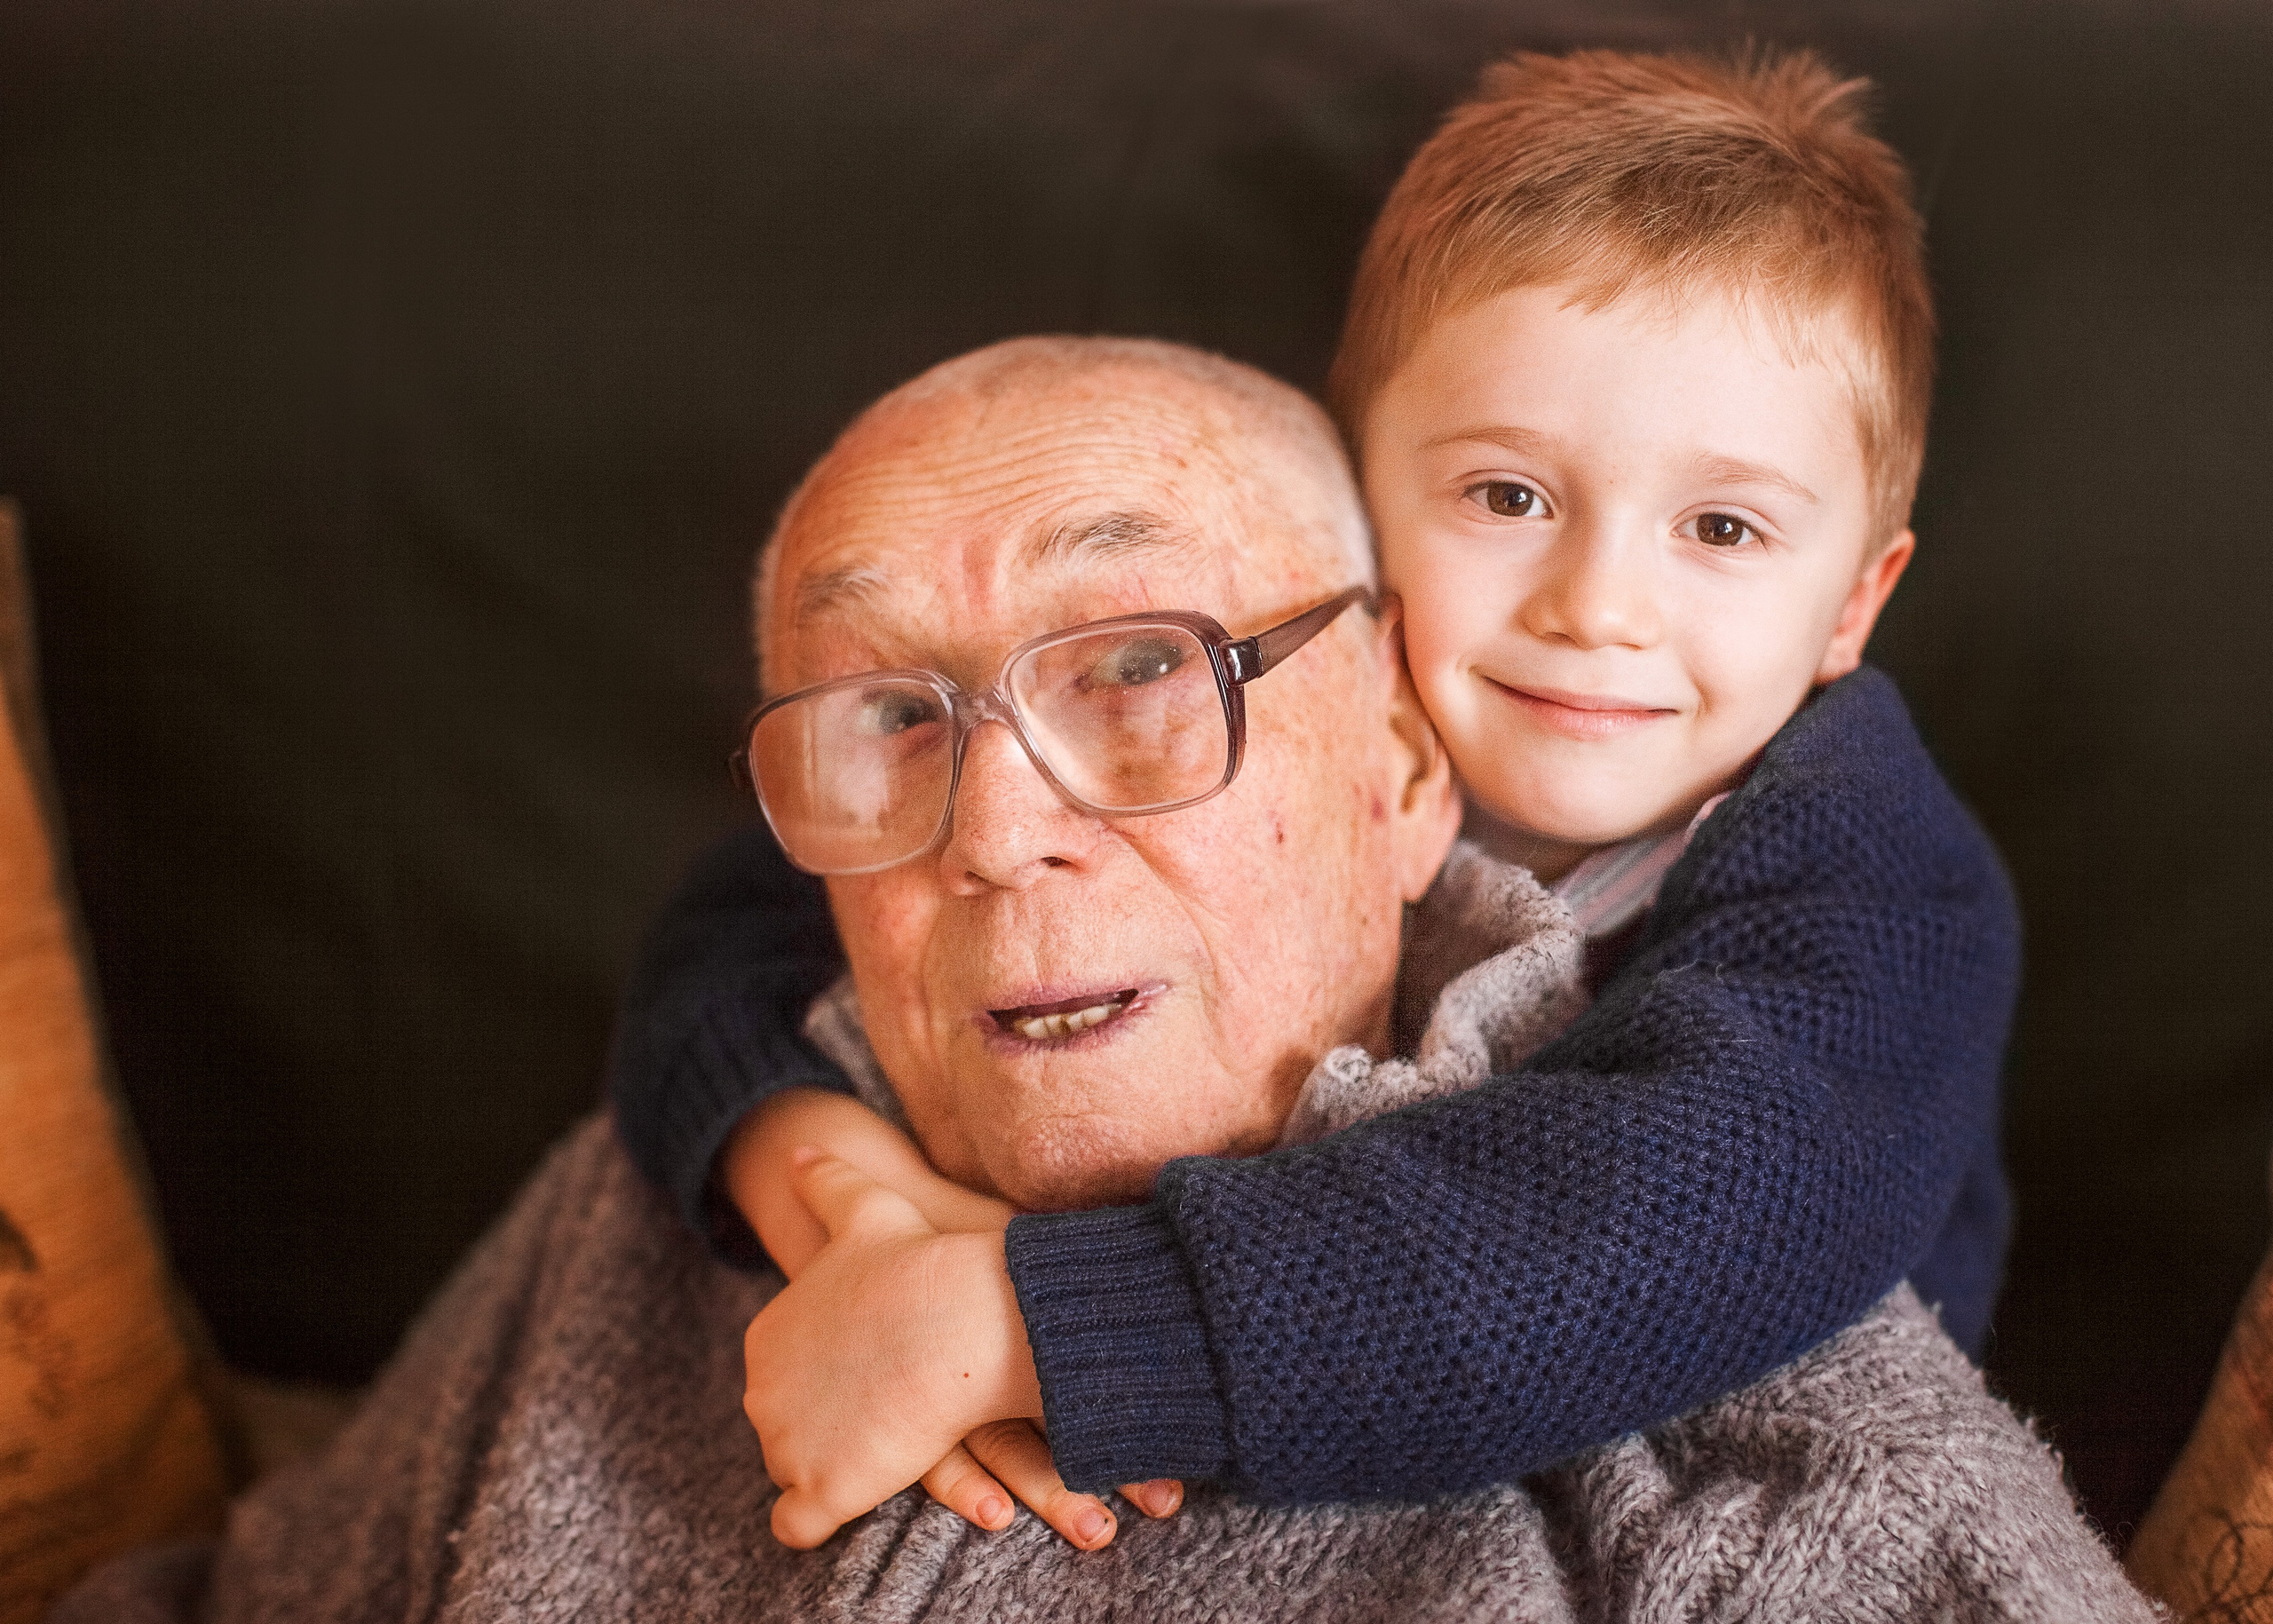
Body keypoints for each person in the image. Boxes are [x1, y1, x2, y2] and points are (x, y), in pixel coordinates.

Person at [56, 337, 2149, 1620]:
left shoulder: (1712, 1346)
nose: (989, 829)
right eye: (886, 722)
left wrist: (1040, 1317)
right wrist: (820, 1180)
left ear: (1403, 769)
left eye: (1143, 672)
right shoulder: (644, 1199)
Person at [609, 47, 2021, 1544]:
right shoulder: (1292, 709)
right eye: (1509, 496)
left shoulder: (1877, 889)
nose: (1598, 605)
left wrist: (1016, 1321)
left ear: (1857, 604)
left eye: (1723, 527)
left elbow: (1648, 1235)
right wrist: (822, 1179)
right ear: (1364, 497)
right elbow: (736, 925)